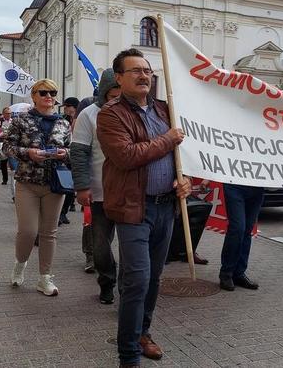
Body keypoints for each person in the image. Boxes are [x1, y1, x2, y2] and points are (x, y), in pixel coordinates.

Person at [97, 48, 190, 367]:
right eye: (135, 71)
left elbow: (183, 156)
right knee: (137, 278)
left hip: (167, 207)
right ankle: (127, 355)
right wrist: (169, 139)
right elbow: (126, 156)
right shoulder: (110, 114)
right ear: (119, 78)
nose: (143, 76)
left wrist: (186, 180)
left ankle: (142, 333)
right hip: (134, 209)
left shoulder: (167, 110)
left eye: (148, 71)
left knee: (154, 278)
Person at [3, 79, 71, 296]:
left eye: (52, 92)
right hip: (27, 183)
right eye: (43, 92)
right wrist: (28, 153)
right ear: (33, 96)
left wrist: (65, 154)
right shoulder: (22, 120)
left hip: (54, 184)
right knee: (28, 231)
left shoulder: (64, 123)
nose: (48, 96)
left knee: (49, 233)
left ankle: (44, 278)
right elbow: (7, 146)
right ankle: (20, 263)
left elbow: (72, 150)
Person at [71, 69, 121, 301]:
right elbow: (79, 153)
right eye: (114, 94)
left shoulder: (136, 112)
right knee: (101, 243)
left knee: (133, 246)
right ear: (104, 93)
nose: (119, 97)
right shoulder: (89, 115)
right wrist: (82, 187)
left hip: (131, 192)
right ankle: (107, 281)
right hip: (100, 191)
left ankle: (128, 289)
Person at [218, 184, 264, 291]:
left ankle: (238, 273)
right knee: (237, 228)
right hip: (234, 185)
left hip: (256, 188)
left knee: (247, 231)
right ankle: (226, 272)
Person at [58, 97, 79, 225]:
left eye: (67, 106)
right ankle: (60, 213)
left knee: (72, 187)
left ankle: (64, 212)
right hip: (65, 157)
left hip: (77, 156)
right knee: (65, 185)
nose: (65, 108)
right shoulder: (62, 120)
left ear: (74, 107)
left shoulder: (82, 118)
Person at [0, 106, 13, 185]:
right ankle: (5, 179)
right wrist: (1, 134)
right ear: (3, 114)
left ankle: (14, 180)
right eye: (7, 113)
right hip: (2, 143)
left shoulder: (13, 121)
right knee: (3, 163)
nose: (9, 115)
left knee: (12, 163)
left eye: (10, 113)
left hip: (11, 144)